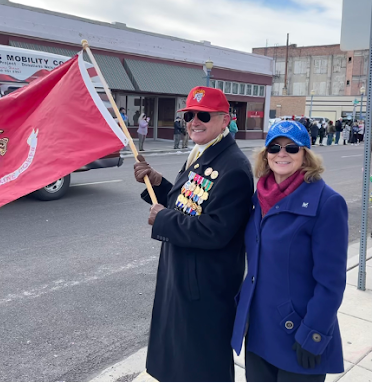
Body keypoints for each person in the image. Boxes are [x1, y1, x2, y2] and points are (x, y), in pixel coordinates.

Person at [133, 86, 254, 382]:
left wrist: (163, 220)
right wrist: (159, 183)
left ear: (225, 120)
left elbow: (216, 231)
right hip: (184, 277)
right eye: (189, 115)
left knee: (201, 366)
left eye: (203, 115)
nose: (194, 122)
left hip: (205, 288)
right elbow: (191, 203)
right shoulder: (203, 152)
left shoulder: (233, 167)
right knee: (180, 362)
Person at [232, 120, 348, 382]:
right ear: (265, 155)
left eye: (291, 148)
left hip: (297, 333)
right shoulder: (258, 198)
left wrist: (314, 332)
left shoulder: (328, 203)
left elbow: (331, 282)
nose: (281, 153)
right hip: (259, 330)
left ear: (305, 154)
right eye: (274, 147)